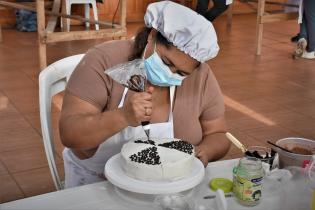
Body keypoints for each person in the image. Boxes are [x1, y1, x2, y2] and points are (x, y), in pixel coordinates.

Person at [59, 1, 231, 188]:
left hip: (165, 185)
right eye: (166, 62)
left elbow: (218, 134)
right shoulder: (104, 60)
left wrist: (206, 151)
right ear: (152, 35)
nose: (169, 74)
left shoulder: (201, 77)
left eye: (181, 74)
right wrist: (122, 116)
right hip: (96, 184)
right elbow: (70, 134)